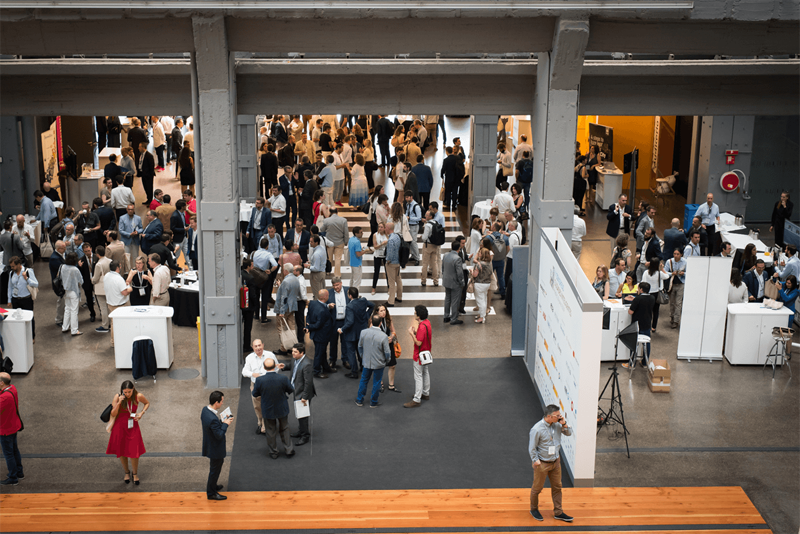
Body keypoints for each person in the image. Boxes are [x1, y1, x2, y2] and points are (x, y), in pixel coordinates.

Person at [528, 405, 574, 523]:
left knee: (557, 487)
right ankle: (534, 509)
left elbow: (568, 433)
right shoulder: (537, 429)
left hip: (556, 462)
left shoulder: (558, 424)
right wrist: (535, 460)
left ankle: (558, 512)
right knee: (537, 488)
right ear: (549, 416)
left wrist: (564, 423)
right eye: (557, 415)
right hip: (542, 464)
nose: (560, 416)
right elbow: (531, 447)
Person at [106, 380, 149, 485]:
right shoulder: (117, 397)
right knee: (122, 451)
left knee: (134, 452)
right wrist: (119, 402)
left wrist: (141, 413)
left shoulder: (138, 396)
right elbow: (113, 413)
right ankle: (126, 472)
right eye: (125, 392)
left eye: (129, 392)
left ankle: (135, 473)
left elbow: (147, 403)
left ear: (133, 389)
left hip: (132, 426)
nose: (127, 394)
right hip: (119, 427)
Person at [252, 358, 295, 459]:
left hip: (268, 409)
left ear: (264, 367)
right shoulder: (283, 378)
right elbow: (290, 389)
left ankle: (273, 452)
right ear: (275, 365)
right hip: (282, 408)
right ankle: (289, 450)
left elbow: (255, 393)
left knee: (270, 430)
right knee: (285, 428)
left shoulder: (259, 380)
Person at [242, 339, 279, 435]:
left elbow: (277, 367)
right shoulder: (249, 358)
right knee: (257, 406)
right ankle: (260, 422)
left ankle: (267, 424)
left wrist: (269, 374)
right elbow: (244, 372)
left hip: (269, 384)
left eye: (259, 345)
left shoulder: (270, 355)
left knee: (269, 404)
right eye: (256, 346)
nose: (258, 348)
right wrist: (253, 374)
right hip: (256, 385)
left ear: (263, 345)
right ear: (253, 347)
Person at [201, 390, 233, 501]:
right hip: (215, 449)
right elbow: (219, 434)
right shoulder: (212, 419)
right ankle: (211, 493)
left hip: (210, 445)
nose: (222, 403)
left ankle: (213, 486)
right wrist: (225, 424)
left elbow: (213, 427)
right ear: (216, 403)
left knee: (215, 468)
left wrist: (221, 422)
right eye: (221, 401)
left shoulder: (205, 410)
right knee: (215, 470)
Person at [355, 315, 392, 408]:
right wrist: (387, 360)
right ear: (380, 323)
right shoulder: (383, 336)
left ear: (371, 322)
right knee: (377, 382)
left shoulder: (363, 332)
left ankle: (359, 400)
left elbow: (359, 346)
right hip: (379, 363)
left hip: (366, 362)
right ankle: (373, 402)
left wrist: (363, 356)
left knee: (364, 380)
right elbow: (387, 352)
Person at [284, 343, 315, 445]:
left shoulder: (307, 364)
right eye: (293, 351)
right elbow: (293, 367)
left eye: (295, 352)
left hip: (302, 394)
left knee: (303, 415)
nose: (293, 353)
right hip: (296, 390)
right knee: (299, 413)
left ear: (302, 353)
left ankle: (305, 435)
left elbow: (308, 382)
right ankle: (301, 430)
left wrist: (304, 397)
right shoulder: (295, 359)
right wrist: (284, 366)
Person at [341, 287, 376, 377]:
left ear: (350, 296)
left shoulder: (349, 306)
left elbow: (350, 321)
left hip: (351, 333)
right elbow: (372, 305)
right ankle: (363, 366)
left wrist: (342, 329)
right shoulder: (363, 300)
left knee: (351, 352)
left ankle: (354, 372)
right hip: (362, 330)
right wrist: (367, 315)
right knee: (360, 350)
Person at [404, 305, 432, 409]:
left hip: (419, 355)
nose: (414, 314)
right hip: (427, 353)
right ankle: (425, 393)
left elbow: (419, 342)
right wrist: (417, 332)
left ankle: (417, 399)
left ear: (419, 316)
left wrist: (412, 334)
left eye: (415, 313)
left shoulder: (421, 326)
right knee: (425, 372)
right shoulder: (427, 323)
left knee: (418, 376)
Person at [623, 282, 654, 368]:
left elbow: (630, 312)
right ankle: (644, 363)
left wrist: (634, 301)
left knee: (634, 343)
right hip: (647, 323)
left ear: (641, 289)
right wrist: (636, 299)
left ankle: (632, 363)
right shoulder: (652, 298)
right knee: (646, 343)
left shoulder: (638, 299)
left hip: (637, 324)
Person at [0, 372, 24, 486]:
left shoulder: (4, 397)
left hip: (5, 429)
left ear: (1, 383)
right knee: (15, 450)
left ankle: (13, 477)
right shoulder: (12, 389)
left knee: (8, 454)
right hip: (13, 426)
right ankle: (19, 472)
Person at [7, 256, 38, 341]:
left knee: (30, 318)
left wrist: (27, 278)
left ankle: (32, 337)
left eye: (13, 266)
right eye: (11, 266)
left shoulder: (28, 271)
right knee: (17, 319)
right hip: (16, 299)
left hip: (26, 299)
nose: (12, 268)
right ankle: (20, 336)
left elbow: (36, 284)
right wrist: (9, 300)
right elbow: (10, 287)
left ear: (19, 264)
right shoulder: (11, 273)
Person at [305, 289, 334, 377]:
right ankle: (316, 371)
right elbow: (318, 325)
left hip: (316, 335)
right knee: (319, 353)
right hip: (322, 336)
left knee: (322, 352)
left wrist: (308, 324)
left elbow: (308, 315)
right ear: (325, 297)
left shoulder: (312, 303)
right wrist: (309, 327)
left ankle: (326, 367)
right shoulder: (322, 311)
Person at [104, 260, 132, 344]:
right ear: (117, 268)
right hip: (120, 305)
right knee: (123, 323)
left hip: (110, 304)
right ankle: (123, 341)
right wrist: (130, 288)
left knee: (113, 323)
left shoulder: (107, 276)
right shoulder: (119, 279)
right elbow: (124, 293)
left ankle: (113, 341)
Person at [641, 259, 670, 332]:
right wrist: (662, 269)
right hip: (656, 294)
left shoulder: (646, 273)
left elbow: (643, 282)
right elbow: (667, 276)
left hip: (647, 294)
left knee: (647, 311)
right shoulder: (659, 273)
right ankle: (653, 327)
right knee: (656, 311)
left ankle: (646, 325)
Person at [59, 252, 84, 336]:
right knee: (74, 311)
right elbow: (81, 281)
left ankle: (65, 327)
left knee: (67, 309)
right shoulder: (75, 269)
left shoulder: (62, 267)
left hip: (66, 291)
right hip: (74, 291)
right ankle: (74, 330)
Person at [321, 207, 349, 278]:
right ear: (337, 211)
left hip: (329, 242)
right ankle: (337, 274)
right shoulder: (343, 220)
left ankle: (328, 271)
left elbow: (322, 229)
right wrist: (346, 241)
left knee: (329, 258)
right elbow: (346, 232)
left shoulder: (326, 220)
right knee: (338, 259)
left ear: (330, 212)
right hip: (340, 242)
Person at [442, 240, 465, 325]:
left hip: (446, 280)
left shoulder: (445, 255)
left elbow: (443, 268)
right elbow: (459, 273)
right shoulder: (457, 258)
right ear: (459, 248)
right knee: (455, 300)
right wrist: (461, 282)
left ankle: (446, 316)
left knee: (447, 298)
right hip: (454, 282)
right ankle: (454, 319)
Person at [664, 249, 687, 329]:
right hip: (672, 284)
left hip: (681, 284)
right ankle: (672, 317)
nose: (676, 255)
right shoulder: (669, 261)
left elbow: (690, 273)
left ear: (681, 254)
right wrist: (671, 273)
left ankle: (676, 321)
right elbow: (665, 272)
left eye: (677, 254)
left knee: (678, 303)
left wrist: (683, 273)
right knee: (672, 303)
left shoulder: (685, 262)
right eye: (674, 254)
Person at [472, 248, 493, 324]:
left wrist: (472, 272)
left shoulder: (479, 264)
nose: (479, 253)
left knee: (480, 301)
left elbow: (475, 275)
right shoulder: (489, 263)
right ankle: (482, 315)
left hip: (479, 283)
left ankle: (481, 317)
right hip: (487, 283)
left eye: (480, 252)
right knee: (484, 299)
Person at [385, 222, 403, 306]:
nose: (385, 229)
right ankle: (399, 297)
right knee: (398, 279)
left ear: (388, 228)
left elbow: (390, 253)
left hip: (391, 264)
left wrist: (387, 261)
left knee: (391, 282)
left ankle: (391, 301)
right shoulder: (397, 236)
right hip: (398, 262)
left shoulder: (391, 239)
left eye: (385, 227)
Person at [405, 191, 423, 264]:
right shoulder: (408, 204)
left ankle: (417, 258)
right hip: (409, 225)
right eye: (405, 197)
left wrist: (410, 218)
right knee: (410, 242)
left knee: (413, 242)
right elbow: (407, 213)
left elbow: (419, 218)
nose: (406, 199)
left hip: (414, 226)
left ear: (411, 197)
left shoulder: (416, 206)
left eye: (407, 197)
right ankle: (413, 255)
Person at [371, 222, 389, 295]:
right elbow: (375, 247)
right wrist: (382, 244)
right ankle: (373, 288)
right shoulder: (375, 235)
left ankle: (390, 287)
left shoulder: (387, 235)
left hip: (385, 255)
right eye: (379, 227)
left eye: (381, 227)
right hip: (377, 255)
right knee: (376, 272)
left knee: (387, 272)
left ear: (384, 228)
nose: (380, 228)